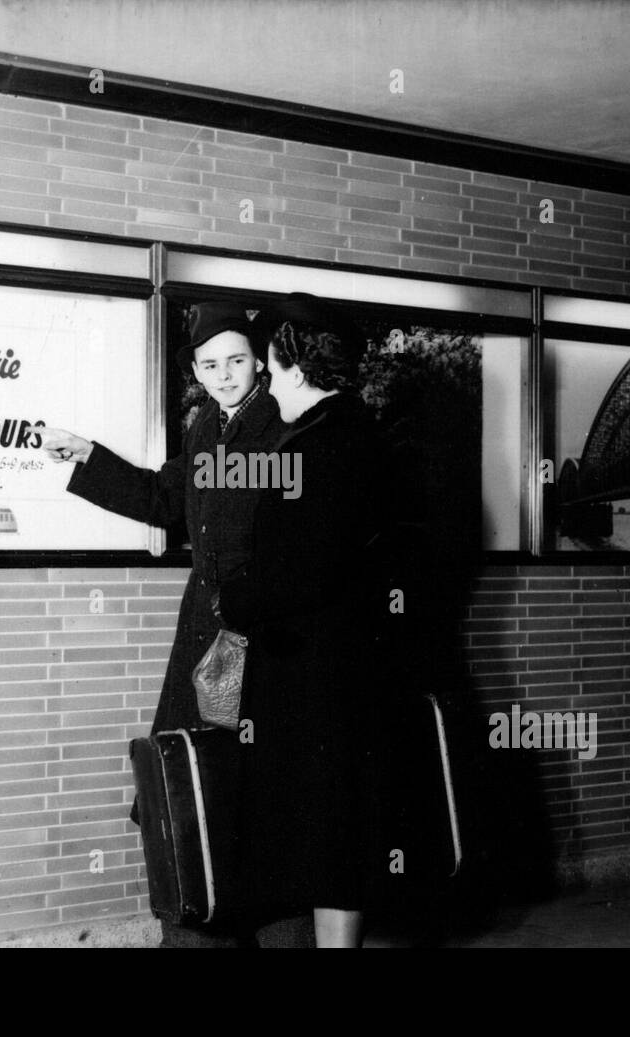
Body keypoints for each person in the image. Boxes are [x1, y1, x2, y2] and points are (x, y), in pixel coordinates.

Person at [39, 302, 288, 948]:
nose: (224, 374)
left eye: (236, 360)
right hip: (202, 643)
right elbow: (160, 498)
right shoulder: (205, 427)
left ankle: (236, 926)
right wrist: (88, 454)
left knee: (249, 806)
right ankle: (196, 927)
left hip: (259, 642)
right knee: (189, 796)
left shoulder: (285, 426)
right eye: (210, 364)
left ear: (259, 359)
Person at [216, 294, 391, 949]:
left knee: (325, 839)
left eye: (264, 361)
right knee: (335, 841)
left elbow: (304, 571)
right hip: (349, 671)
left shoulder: (322, 448)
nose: (259, 375)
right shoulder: (361, 432)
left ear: (290, 362)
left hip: (314, 681)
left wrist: (236, 595)